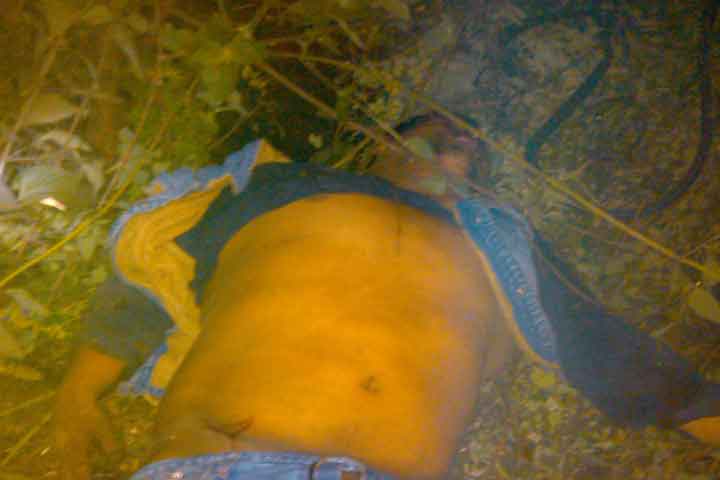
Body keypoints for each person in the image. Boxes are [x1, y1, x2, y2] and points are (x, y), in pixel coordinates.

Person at [54, 114, 720, 480]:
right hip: (221, 466)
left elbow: (600, 346)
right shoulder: (277, 186)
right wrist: (77, 394)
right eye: (439, 131)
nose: (460, 142)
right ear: (379, 143)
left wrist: (705, 415)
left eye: (469, 144)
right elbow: (146, 281)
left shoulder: (500, 246)